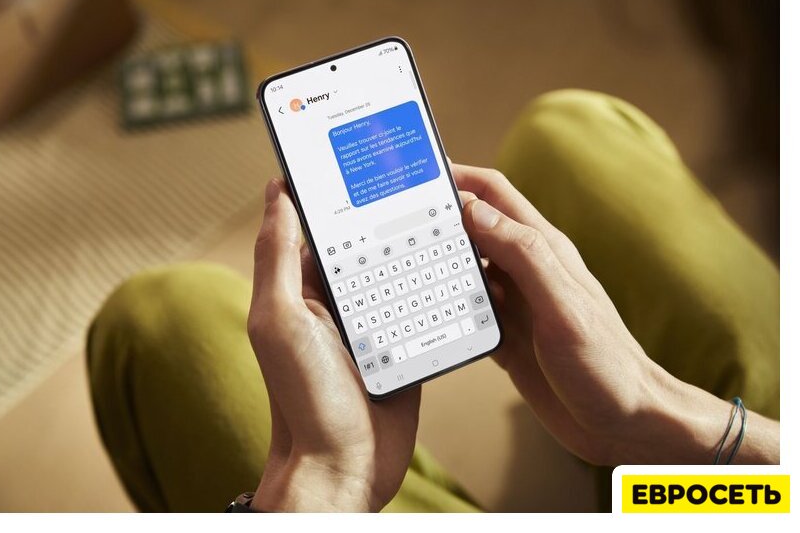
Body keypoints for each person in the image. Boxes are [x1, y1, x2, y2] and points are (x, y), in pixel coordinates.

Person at [87, 90, 779, 512]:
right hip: (757, 497)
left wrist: (331, 480)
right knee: (564, 131)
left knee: (158, 321)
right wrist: (659, 416)